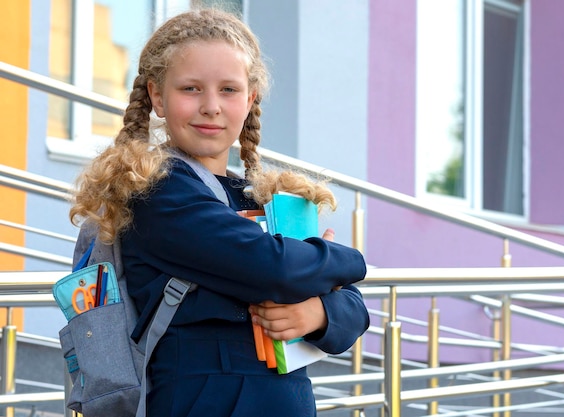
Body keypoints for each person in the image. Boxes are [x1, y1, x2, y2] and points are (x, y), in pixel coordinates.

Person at [69, 6, 369, 417]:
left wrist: (318, 312)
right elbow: (274, 268)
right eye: (191, 89)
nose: (211, 106)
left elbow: (354, 307)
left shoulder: (255, 197)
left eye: (228, 89)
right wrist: (345, 259)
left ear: (250, 99)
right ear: (157, 96)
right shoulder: (157, 193)